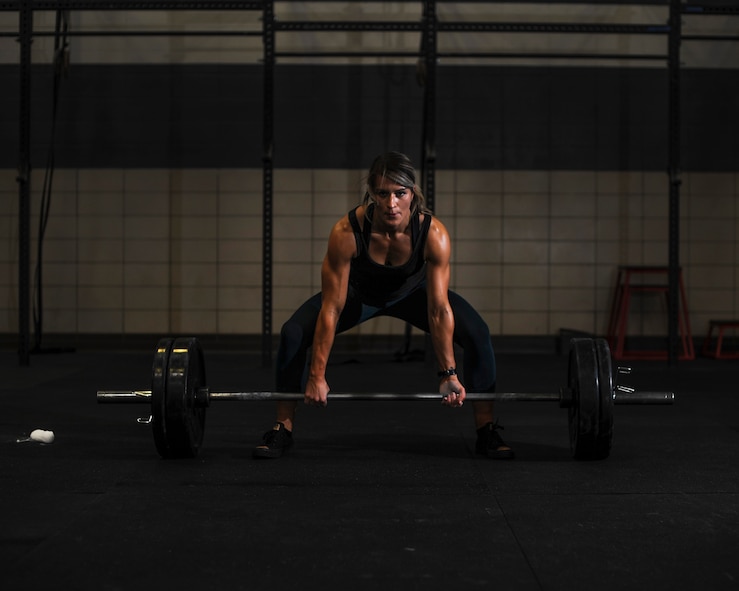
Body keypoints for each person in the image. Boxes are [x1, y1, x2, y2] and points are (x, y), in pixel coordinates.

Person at [253, 151, 513, 460]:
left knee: (478, 332)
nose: (391, 204)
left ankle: (486, 431)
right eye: (382, 194)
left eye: (399, 194)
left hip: (413, 296)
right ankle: (283, 428)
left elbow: (438, 309)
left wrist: (448, 374)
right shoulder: (346, 233)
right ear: (372, 193)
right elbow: (332, 308)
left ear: (412, 192)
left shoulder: (433, 234)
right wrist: (317, 375)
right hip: (359, 297)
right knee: (293, 332)